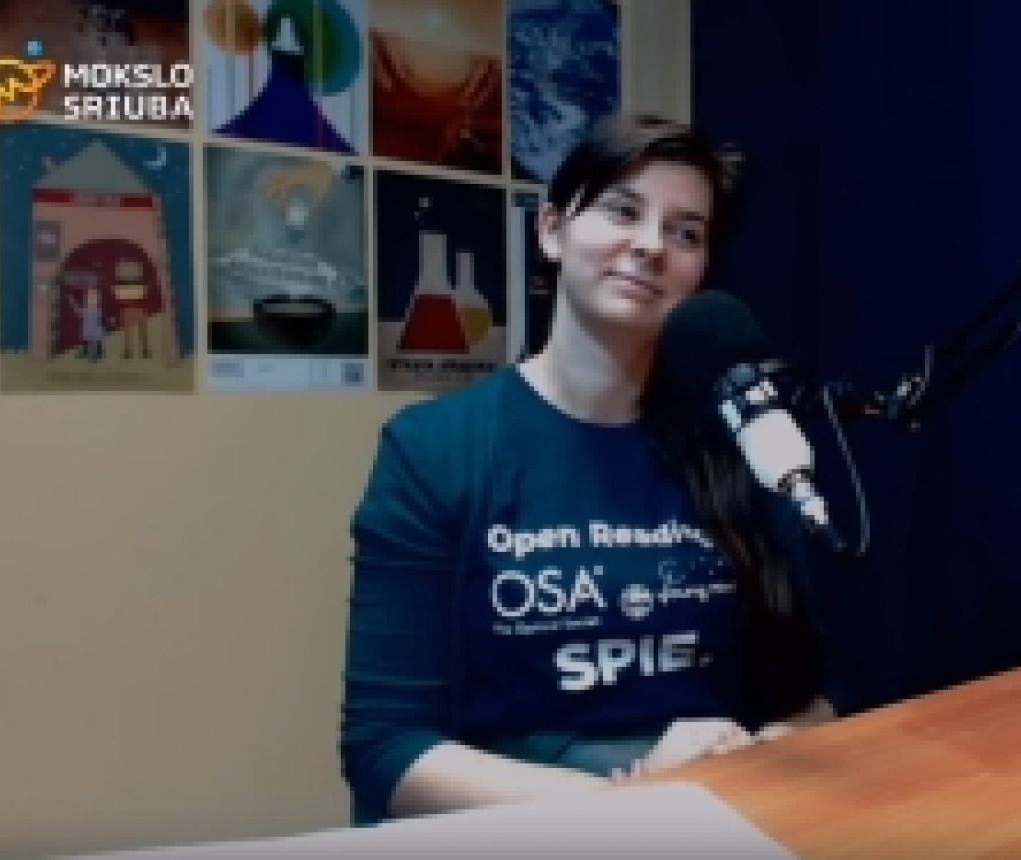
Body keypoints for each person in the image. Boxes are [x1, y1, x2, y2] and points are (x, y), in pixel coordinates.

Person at [340, 113, 832, 827]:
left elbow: (819, 694)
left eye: (685, 233)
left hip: (711, 823)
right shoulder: (435, 449)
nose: (651, 245)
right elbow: (385, 748)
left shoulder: (743, 448)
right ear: (551, 230)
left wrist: (764, 754)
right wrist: (626, 802)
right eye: (622, 211)